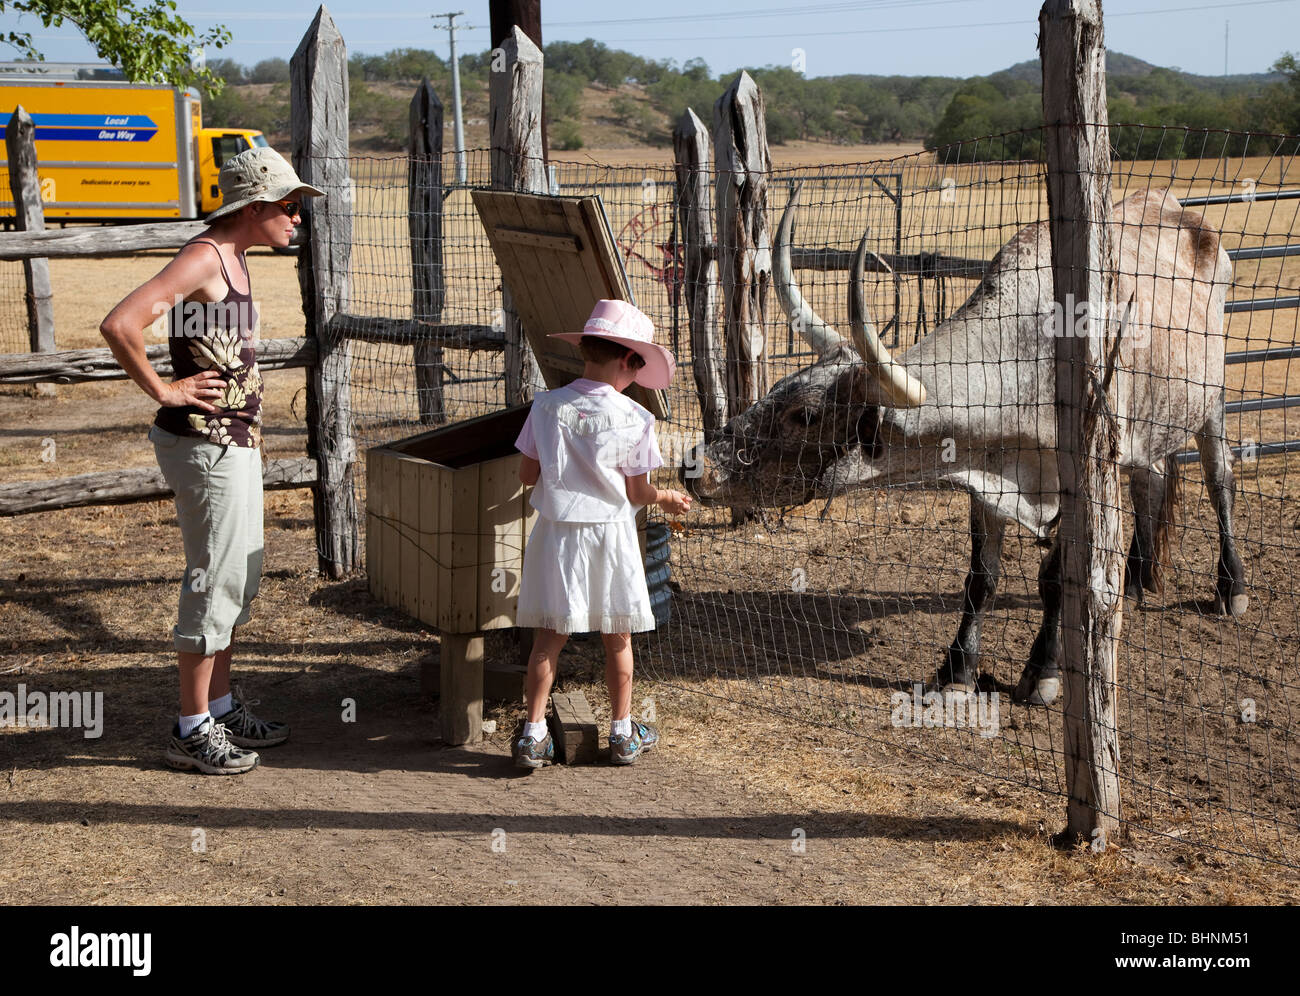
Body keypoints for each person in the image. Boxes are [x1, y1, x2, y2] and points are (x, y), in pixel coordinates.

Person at [99, 147, 324, 775]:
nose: (297, 218)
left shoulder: (237, 257)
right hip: (204, 445)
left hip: (234, 442)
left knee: (239, 575)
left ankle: (220, 709)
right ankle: (190, 728)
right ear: (253, 207)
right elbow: (122, 323)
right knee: (213, 578)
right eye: (289, 206)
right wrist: (166, 391)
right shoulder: (204, 256)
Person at [511, 299, 692, 770]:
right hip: (611, 539)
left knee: (548, 639)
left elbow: (527, 475)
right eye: (639, 366)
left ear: (587, 349)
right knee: (618, 638)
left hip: (558, 536)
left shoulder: (547, 406)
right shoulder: (636, 418)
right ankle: (621, 732)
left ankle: (531, 735)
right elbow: (637, 489)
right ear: (630, 361)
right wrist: (666, 496)